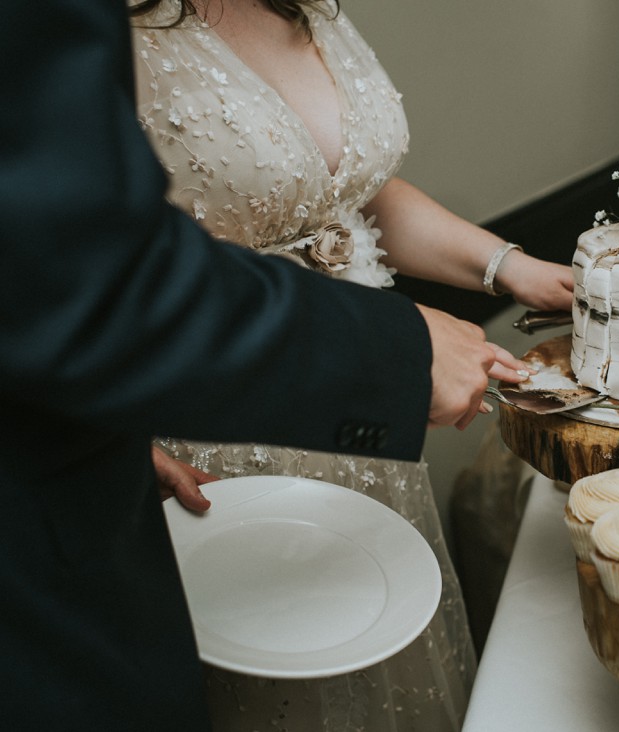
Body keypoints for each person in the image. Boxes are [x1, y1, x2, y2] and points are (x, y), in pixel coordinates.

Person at [0, 1, 563, 730]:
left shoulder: (304, 5)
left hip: (363, 438)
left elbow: (340, 188)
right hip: (222, 424)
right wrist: (109, 425)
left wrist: (508, 267)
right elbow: (65, 266)